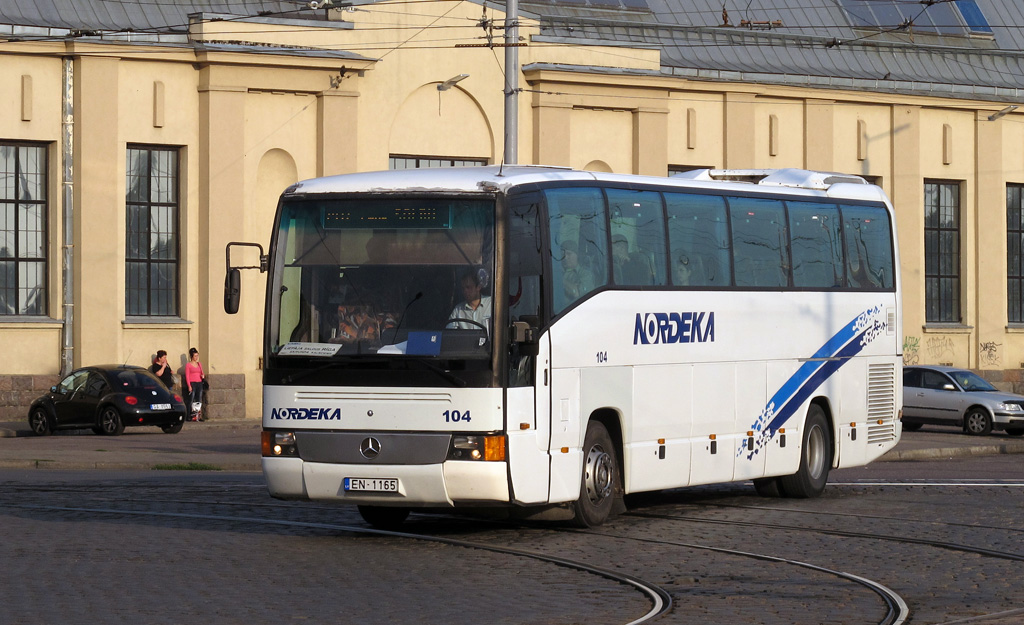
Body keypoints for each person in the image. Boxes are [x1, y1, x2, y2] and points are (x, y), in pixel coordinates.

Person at [184, 347, 207, 421]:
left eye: (197, 356)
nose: (196, 357)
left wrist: (203, 376)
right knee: (191, 399)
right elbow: (187, 376)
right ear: (191, 356)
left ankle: (198, 416)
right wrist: (189, 385)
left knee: (198, 400)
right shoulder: (188, 365)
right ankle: (189, 416)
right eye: (195, 356)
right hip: (192, 383)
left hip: (199, 382)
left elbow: (201, 372)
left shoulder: (199, 364)